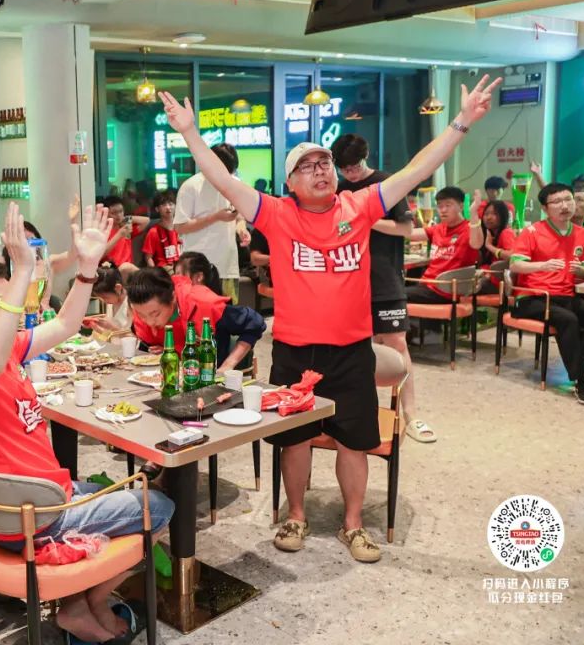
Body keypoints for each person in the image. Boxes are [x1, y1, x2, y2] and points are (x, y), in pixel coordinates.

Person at [158, 74, 501, 562]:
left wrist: (461, 123)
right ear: (290, 182)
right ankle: (295, 515)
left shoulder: (359, 205)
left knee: (354, 442)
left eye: (325, 163)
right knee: (294, 441)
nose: (320, 170)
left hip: (352, 350)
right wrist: (191, 133)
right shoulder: (276, 213)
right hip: (295, 350)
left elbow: (415, 170)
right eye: (307, 166)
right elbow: (224, 181)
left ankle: (353, 524)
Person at [0, 203, 174, 643]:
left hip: (41, 496)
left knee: (99, 487)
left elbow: (64, 323)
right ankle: (88, 604)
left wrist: (86, 269)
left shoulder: (4, 348)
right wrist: (21, 269)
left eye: (13, 301)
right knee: (159, 507)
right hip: (32, 515)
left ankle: (77, 603)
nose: (11, 311)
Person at [334, 134, 433, 444]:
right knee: (355, 347)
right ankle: (364, 411)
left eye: (355, 167)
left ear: (365, 158)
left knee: (397, 343)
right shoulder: (339, 189)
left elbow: (406, 228)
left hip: (385, 277)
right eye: (345, 169)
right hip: (349, 277)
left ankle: (411, 415)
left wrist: (366, 219)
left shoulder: (385, 184)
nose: (351, 174)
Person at [510, 183, 584, 405]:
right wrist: (542, 265)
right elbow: (515, 265)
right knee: (568, 319)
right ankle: (580, 380)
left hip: (564, 296)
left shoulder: (582, 234)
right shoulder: (532, 232)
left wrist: (580, 270)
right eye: (557, 202)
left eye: (568, 200)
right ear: (545, 209)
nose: (564, 206)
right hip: (531, 298)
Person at [126, 266, 265, 372]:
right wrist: (167, 351)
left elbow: (254, 322)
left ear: (173, 298)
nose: (150, 322)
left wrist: (228, 365)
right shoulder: (144, 310)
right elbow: (146, 344)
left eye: (155, 314)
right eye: (142, 315)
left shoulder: (203, 304)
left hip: (209, 378)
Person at [174, 143, 251, 303]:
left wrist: (242, 229)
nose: (226, 177)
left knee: (229, 314)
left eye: (230, 173)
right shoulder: (191, 186)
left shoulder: (234, 183)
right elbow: (180, 227)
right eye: (223, 172)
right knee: (200, 314)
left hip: (228, 264)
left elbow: (239, 215)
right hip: (198, 268)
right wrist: (215, 217)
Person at [406, 186, 484, 304]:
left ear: (461, 206)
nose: (443, 210)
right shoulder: (438, 228)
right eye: (439, 206)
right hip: (427, 286)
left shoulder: (469, 229)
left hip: (447, 290)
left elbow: (477, 244)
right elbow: (408, 233)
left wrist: (473, 212)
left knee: (396, 295)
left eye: (448, 205)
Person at [101, 196, 150, 272]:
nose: (118, 215)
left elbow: (146, 221)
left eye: (121, 211)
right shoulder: (104, 231)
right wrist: (120, 234)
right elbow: (101, 254)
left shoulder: (126, 227)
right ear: (106, 214)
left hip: (128, 268)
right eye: (114, 213)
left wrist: (127, 218)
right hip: (112, 270)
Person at [479, 199, 517, 292]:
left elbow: (512, 256)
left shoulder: (506, 233)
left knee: (464, 289)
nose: (488, 217)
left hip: (501, 285)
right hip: (493, 281)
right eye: (486, 214)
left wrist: (489, 246)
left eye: (494, 214)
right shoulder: (491, 235)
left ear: (503, 216)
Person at [142, 190, 181, 270]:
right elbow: (148, 257)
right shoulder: (153, 232)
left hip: (181, 267)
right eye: (164, 205)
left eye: (171, 204)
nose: (168, 207)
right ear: (157, 209)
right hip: (164, 269)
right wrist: (155, 273)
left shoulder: (182, 228)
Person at [87, 264, 131, 333]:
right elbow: (111, 321)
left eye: (105, 297)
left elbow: (135, 336)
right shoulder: (112, 300)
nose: (104, 301)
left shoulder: (131, 304)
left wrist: (112, 328)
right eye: (101, 298)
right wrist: (95, 323)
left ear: (118, 288)